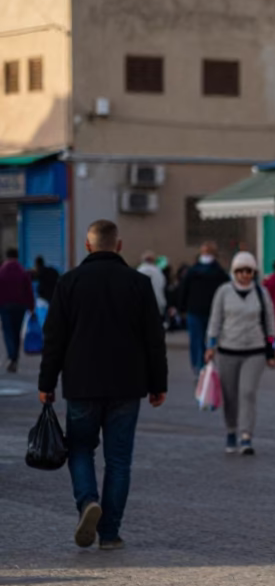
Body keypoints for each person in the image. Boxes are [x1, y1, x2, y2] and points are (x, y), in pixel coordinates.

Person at [37, 219, 167, 550]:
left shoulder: (68, 283)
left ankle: (87, 502)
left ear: (87, 245)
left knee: (80, 449)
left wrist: (46, 383)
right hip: (127, 384)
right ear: (119, 245)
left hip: (82, 384)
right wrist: (158, 384)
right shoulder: (138, 283)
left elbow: (54, 339)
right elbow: (154, 339)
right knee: (119, 460)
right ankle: (110, 533)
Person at [204, 252, 275, 454]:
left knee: (247, 392)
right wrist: (210, 346)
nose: (245, 275)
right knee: (230, 395)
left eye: (249, 271)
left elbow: (270, 323)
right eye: (241, 271)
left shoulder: (262, 293)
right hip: (227, 350)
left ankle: (246, 436)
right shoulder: (223, 292)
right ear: (234, 272)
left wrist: (272, 350)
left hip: (255, 351)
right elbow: (215, 320)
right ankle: (231, 430)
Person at [177, 242, 230, 374]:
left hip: (195, 311)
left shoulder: (192, 271)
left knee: (197, 340)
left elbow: (183, 290)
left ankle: (199, 367)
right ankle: (207, 365)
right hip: (212, 312)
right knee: (211, 340)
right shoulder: (220, 272)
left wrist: (181, 308)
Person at [0, 247, 34, 372]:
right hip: (20, 306)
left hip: (5, 305)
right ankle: (15, 358)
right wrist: (31, 307)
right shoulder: (22, 271)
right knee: (16, 332)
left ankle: (12, 356)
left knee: (8, 332)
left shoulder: (2, 271)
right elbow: (28, 290)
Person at [137, 251, 167, 319]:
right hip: (159, 302)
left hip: (144, 304)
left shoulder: (140, 270)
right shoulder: (158, 270)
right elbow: (163, 284)